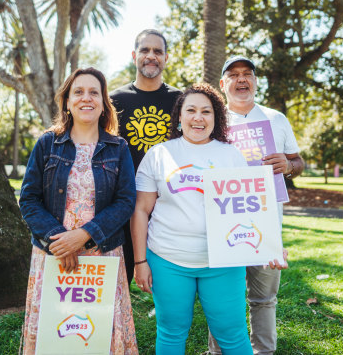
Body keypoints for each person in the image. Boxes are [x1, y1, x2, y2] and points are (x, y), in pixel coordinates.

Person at [19, 67, 138, 354]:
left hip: (103, 253)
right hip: (54, 253)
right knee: (55, 333)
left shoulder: (118, 147)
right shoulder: (47, 143)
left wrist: (83, 235)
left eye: (94, 92)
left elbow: (126, 201)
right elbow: (29, 200)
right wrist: (60, 240)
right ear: (68, 102)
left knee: (98, 335)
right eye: (79, 92)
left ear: (103, 102)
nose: (87, 98)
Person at [131, 83, 253, 355]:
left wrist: (269, 243)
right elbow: (141, 210)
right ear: (180, 116)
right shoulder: (159, 154)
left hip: (223, 262)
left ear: (216, 117)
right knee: (171, 332)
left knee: (232, 334)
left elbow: (250, 209)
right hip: (167, 260)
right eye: (192, 110)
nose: (199, 117)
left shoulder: (231, 156)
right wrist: (140, 262)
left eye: (206, 111)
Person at [208, 56, 305, 355]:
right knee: (224, 299)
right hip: (223, 225)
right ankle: (218, 352)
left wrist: (288, 165)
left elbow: (299, 161)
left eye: (247, 74)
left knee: (264, 299)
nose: (241, 80)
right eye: (233, 75)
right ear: (223, 84)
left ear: (255, 81)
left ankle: (264, 351)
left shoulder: (275, 119)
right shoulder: (212, 119)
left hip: (267, 226)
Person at [110, 29, 181, 284]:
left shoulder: (180, 100)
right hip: (123, 201)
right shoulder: (114, 100)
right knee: (119, 278)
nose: (151, 56)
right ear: (134, 55)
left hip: (168, 202)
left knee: (169, 279)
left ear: (166, 58)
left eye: (158, 51)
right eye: (145, 50)